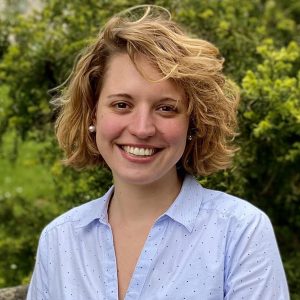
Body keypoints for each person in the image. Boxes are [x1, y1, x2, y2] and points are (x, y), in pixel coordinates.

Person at [27, 5, 289, 300]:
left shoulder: (241, 233)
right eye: (122, 105)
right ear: (92, 114)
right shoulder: (59, 240)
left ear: (193, 122)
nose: (142, 128)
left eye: (166, 108)